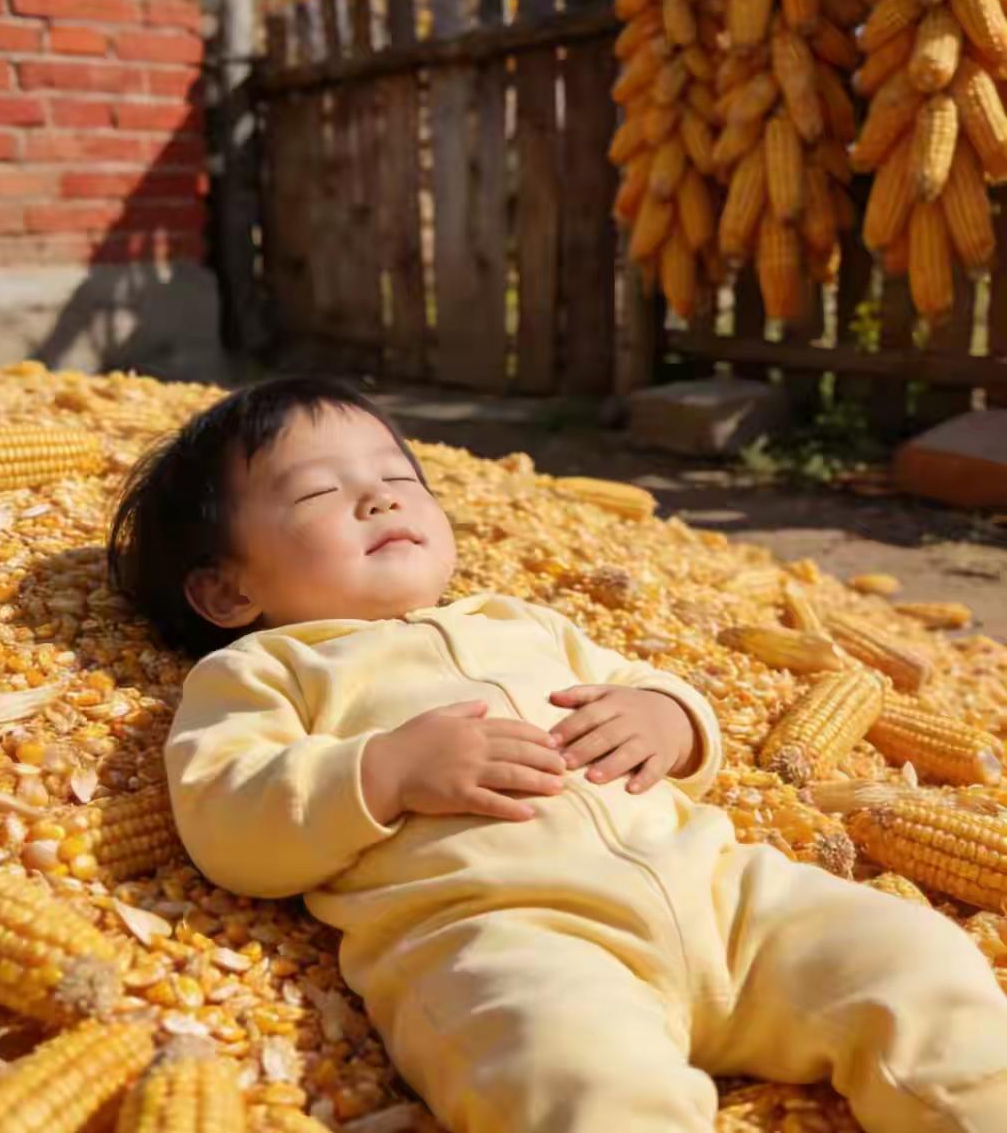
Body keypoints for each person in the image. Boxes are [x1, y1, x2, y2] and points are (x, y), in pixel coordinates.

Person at [108, 376, 1007, 1133]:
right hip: (508, 936)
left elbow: (665, 700)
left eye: (397, 476)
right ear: (228, 591)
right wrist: (381, 771)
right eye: (316, 494)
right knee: (569, 1078)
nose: (379, 497)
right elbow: (228, 818)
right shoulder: (264, 669)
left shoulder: (522, 623)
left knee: (912, 958)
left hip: (723, 897)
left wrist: (670, 719)